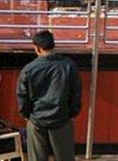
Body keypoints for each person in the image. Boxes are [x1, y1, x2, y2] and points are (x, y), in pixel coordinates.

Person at [17, 30, 81, 161]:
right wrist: (72, 113)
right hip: (62, 118)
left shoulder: (28, 69)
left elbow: (22, 96)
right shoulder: (68, 65)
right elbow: (76, 93)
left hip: (36, 119)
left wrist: (25, 114)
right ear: (53, 46)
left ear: (37, 48)